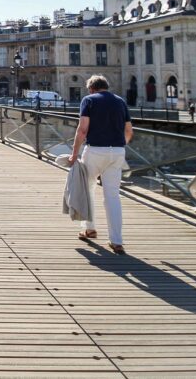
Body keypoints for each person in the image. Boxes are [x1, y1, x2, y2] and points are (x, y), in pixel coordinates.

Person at [68, 74, 133, 255]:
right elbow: (129, 130)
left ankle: (89, 228)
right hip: (117, 151)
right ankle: (117, 240)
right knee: (112, 196)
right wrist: (121, 147)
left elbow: (82, 130)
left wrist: (74, 154)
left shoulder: (88, 100)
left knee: (88, 190)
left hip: (96, 150)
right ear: (106, 86)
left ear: (91, 88)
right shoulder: (120, 102)